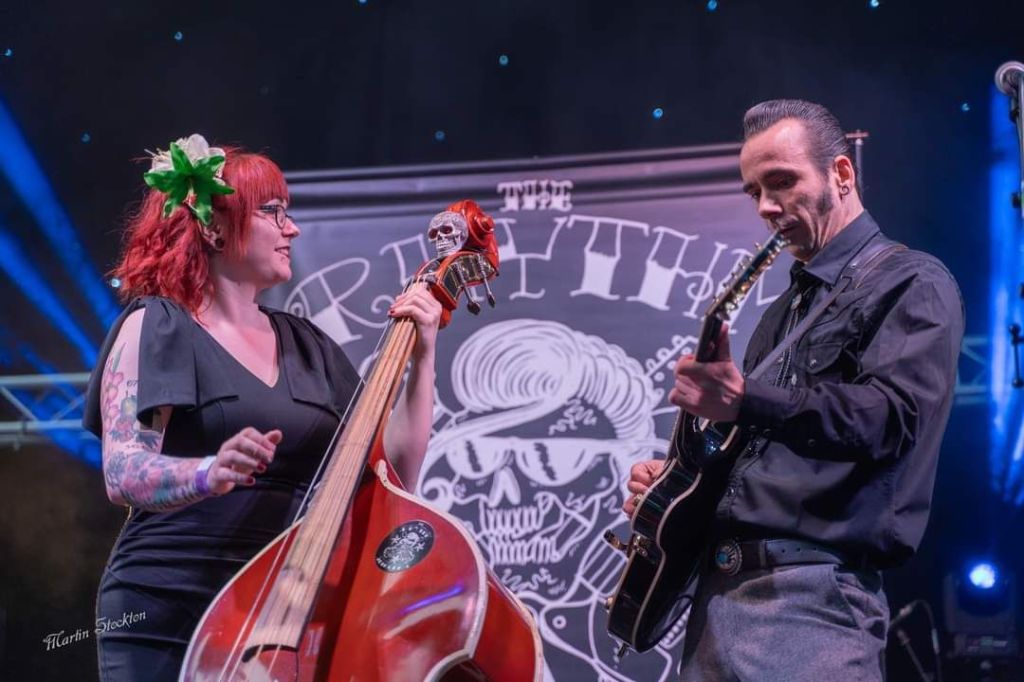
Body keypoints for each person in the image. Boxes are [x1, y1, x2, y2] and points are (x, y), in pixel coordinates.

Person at [622, 100, 964, 680]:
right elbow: (758, 454)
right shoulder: (780, 312)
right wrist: (679, 484)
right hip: (717, 605)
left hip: (814, 605)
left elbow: (891, 419)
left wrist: (746, 400)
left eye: (781, 182)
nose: (765, 206)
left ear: (841, 174)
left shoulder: (913, 281)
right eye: (754, 191)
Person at [82, 134, 443, 681]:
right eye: (272, 212)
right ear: (213, 227)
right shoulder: (158, 325)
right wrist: (209, 471)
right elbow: (122, 472)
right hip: (166, 604)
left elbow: (395, 473)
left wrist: (423, 357)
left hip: (284, 611)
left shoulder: (308, 346)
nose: (290, 228)